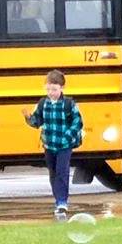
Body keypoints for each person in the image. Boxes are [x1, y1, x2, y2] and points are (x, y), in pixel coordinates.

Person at [24, 69, 84, 218]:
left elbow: (78, 122)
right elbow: (37, 122)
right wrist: (28, 118)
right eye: (49, 89)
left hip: (64, 145)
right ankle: (58, 199)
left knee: (62, 172)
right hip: (49, 144)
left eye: (54, 89)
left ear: (62, 88)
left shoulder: (69, 104)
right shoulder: (43, 103)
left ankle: (62, 202)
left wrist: (67, 137)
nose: (51, 92)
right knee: (53, 173)